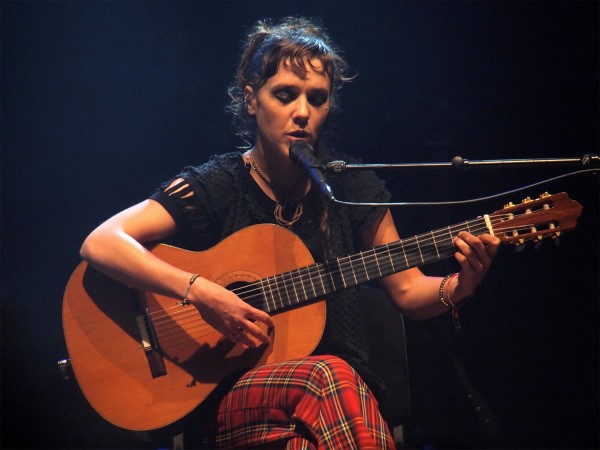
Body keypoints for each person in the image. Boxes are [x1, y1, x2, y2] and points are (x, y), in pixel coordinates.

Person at [80, 17, 500, 450]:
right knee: (326, 376)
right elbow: (102, 242)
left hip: (333, 400)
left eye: (316, 99)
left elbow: (410, 291)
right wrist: (202, 292)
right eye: (285, 95)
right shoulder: (219, 184)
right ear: (251, 100)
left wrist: (459, 285)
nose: (302, 111)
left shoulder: (351, 189)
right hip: (232, 395)